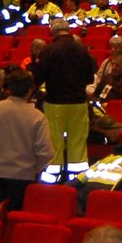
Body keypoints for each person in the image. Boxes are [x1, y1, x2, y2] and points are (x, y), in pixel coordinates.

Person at [0, 68, 55, 209]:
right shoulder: (37, 116)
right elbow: (46, 153)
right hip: (22, 181)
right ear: (30, 90)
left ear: (8, 89)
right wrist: (32, 171)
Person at [33, 19, 96, 183]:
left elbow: (38, 78)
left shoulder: (49, 51)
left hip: (55, 103)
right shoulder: (82, 50)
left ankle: (53, 179)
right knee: (78, 142)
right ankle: (78, 179)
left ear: (53, 32)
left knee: (54, 142)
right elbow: (90, 77)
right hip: (78, 103)